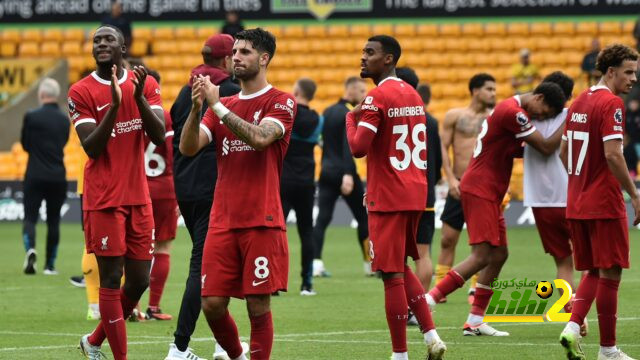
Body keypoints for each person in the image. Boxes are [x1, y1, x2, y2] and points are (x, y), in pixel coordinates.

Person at [179, 28, 294, 360]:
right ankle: (237, 356)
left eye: (244, 52)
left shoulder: (281, 101)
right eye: (234, 52)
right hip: (222, 220)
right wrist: (197, 107)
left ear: (264, 58)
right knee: (211, 302)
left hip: (262, 219)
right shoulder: (222, 104)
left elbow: (260, 139)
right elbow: (188, 148)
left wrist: (218, 107)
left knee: (258, 304)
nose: (236, 58)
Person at [427, 82, 567, 337]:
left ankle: (475, 320)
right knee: (481, 255)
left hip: (489, 191)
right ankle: (427, 302)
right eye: (543, 111)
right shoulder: (513, 112)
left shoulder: (509, 112)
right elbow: (545, 147)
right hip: (480, 189)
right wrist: (566, 125)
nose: (540, 117)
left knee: (499, 254)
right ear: (538, 97)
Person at [346, 35, 446, 360]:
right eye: (363, 51)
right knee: (403, 269)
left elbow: (359, 148)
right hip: (415, 192)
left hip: (387, 197)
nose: (363, 57)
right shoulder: (413, 94)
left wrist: (351, 118)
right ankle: (431, 337)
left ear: (388, 59)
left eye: (370, 53)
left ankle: (399, 355)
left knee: (390, 276)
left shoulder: (377, 97)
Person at [70, 25, 166, 360]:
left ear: (122, 46)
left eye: (108, 39)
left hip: (139, 197)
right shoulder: (80, 91)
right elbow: (92, 149)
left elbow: (158, 135)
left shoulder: (146, 83)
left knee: (139, 281)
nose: (101, 44)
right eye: (96, 40)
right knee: (111, 279)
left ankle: (94, 341)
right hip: (104, 198)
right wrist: (113, 106)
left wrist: (136, 98)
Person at [559, 43, 640, 360]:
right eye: (629, 72)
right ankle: (607, 350)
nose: (633, 79)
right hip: (604, 202)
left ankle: (572, 326)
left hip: (577, 201)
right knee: (612, 272)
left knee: (592, 270)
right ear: (610, 71)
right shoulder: (612, 103)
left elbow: (565, 150)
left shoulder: (580, 100)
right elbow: (612, 153)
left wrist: (580, 179)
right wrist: (633, 193)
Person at [167, 33, 243, 360]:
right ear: (226, 60)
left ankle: (221, 345)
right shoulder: (229, 92)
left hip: (185, 188)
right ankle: (179, 347)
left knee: (218, 263)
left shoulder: (184, 93)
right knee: (202, 266)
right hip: (215, 188)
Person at [523, 71, 589, 336]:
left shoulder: (527, 118)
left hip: (539, 200)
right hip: (571, 197)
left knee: (563, 262)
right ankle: (580, 314)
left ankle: (570, 308)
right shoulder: (573, 117)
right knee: (589, 262)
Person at [435, 73, 496, 303]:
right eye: (489, 89)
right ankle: (441, 285)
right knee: (447, 239)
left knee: (482, 242)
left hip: (484, 187)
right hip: (459, 184)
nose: (493, 94)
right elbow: (444, 147)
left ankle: (475, 288)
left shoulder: (496, 117)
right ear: (475, 91)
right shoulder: (454, 116)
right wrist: (450, 179)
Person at [312, 76, 370, 277]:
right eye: (362, 91)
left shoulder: (327, 111)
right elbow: (348, 145)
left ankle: (316, 264)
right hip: (346, 173)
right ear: (351, 91)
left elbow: (320, 140)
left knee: (322, 219)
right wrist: (347, 173)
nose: (364, 96)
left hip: (327, 172)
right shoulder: (349, 113)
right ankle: (369, 265)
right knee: (363, 218)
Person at [394, 69, 442, 295]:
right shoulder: (430, 121)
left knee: (398, 256)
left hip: (397, 195)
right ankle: (419, 305)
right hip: (425, 194)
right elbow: (438, 161)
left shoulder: (393, 116)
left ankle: (403, 304)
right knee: (423, 254)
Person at [20, 77, 70, 275]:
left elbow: (25, 144)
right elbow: (64, 142)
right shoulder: (64, 120)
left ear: (41, 94)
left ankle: (31, 248)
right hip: (58, 175)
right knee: (54, 221)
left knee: (30, 217)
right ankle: (50, 265)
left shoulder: (31, 116)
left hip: (34, 174)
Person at [140, 70, 178, 321]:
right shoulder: (164, 116)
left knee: (130, 250)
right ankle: (153, 307)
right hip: (164, 188)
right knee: (162, 247)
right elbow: (174, 157)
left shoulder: (129, 115)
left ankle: (128, 306)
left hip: (136, 188)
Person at [281, 78, 322, 296]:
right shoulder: (318, 119)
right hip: (306, 181)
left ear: (296, 91)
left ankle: (272, 282)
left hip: (284, 179)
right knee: (306, 232)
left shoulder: (288, 114)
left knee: (277, 231)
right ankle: (307, 284)